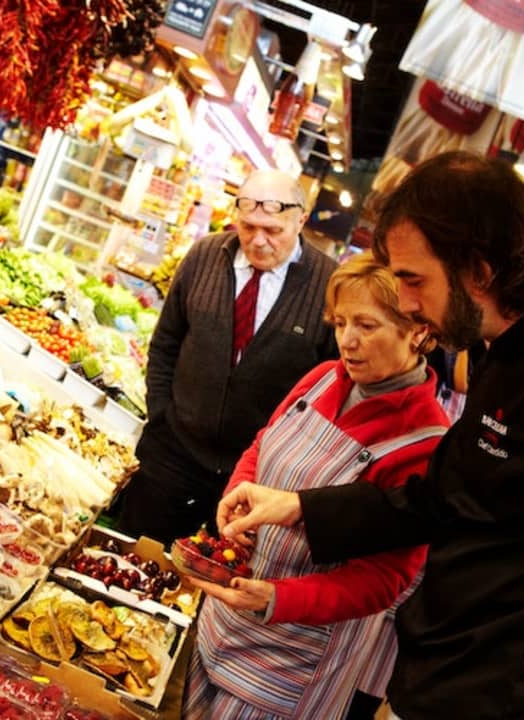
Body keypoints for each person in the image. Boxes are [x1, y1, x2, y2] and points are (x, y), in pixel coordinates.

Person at [217, 151, 524, 720]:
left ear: (478, 270)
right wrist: (300, 507)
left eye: (413, 280)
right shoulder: (492, 350)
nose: (406, 303)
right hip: (438, 669)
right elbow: (439, 497)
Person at [183, 251, 449, 720]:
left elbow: (386, 580)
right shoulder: (322, 379)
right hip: (222, 619)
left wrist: (277, 598)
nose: (347, 340)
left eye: (367, 326)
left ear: (419, 330)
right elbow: (263, 444)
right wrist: (237, 491)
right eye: (340, 321)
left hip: (290, 662)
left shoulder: (426, 442)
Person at [116, 170, 339, 546]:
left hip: (254, 478)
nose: (258, 240)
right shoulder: (205, 255)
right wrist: (161, 415)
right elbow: (166, 341)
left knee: (211, 581)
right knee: (131, 552)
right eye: (248, 227)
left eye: (273, 230)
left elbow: (328, 388)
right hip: (173, 453)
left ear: (300, 219)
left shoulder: (329, 284)